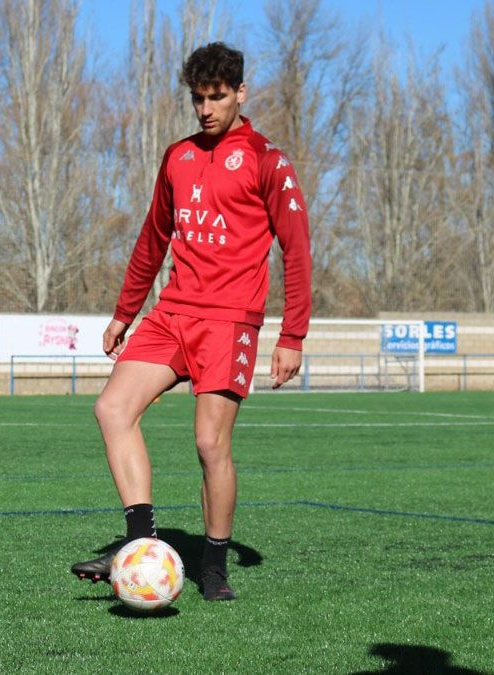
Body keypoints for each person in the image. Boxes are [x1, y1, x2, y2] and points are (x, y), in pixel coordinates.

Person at [69, 42, 311, 601]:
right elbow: (153, 238)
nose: (206, 108)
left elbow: (296, 251)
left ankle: (214, 566)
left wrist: (291, 334)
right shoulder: (176, 156)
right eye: (198, 98)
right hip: (172, 314)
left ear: (241, 93)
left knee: (209, 444)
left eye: (217, 97)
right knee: (112, 408)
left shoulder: (265, 158)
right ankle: (139, 545)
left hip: (229, 323)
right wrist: (124, 313)